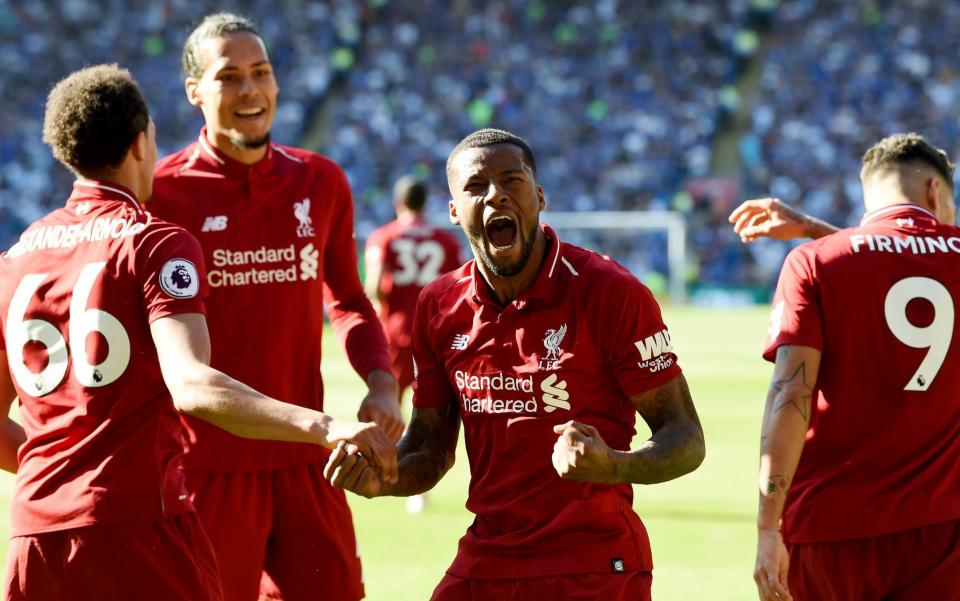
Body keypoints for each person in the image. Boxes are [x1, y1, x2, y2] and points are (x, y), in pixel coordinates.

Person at [0, 65, 396, 601]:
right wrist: (326, 427)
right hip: (144, 518)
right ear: (142, 143)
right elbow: (191, 384)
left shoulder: (15, 259)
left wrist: (62, 469)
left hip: (36, 532)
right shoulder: (154, 239)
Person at [326, 128, 706, 600]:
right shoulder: (439, 305)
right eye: (475, 187)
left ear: (539, 195)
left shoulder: (610, 293)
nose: (495, 196)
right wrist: (387, 476)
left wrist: (613, 465)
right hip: (489, 557)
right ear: (452, 210)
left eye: (512, 181)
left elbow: (686, 437)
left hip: (593, 564)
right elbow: (430, 447)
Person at [146, 13, 405, 601]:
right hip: (205, 463)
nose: (250, 90)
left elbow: (348, 299)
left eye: (260, 73)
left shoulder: (320, 181)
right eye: (229, 76)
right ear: (195, 92)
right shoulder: (160, 195)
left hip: (308, 455)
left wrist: (382, 380)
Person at [747, 133, 960, 601]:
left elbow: (790, 394)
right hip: (944, 530)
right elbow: (910, 264)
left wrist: (768, 527)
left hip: (830, 529)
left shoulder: (813, 263)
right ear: (935, 193)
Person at [364, 175, 464, 399]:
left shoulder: (384, 237)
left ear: (397, 202)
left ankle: (390, 437)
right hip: (435, 330)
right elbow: (461, 285)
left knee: (390, 399)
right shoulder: (446, 240)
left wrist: (380, 312)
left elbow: (374, 286)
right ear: (425, 202)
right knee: (437, 401)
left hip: (398, 328)